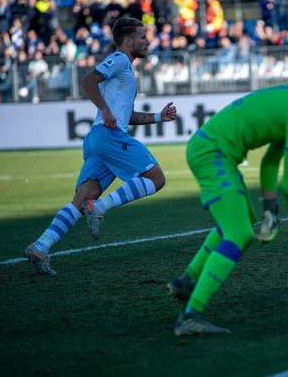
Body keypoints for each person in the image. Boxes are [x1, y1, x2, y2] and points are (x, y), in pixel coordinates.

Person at [167, 61, 288, 336]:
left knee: (242, 222)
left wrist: (269, 209)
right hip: (213, 152)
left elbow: (271, 162)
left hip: (213, 149)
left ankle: (186, 282)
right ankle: (190, 316)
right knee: (240, 234)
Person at [24, 17, 177, 276]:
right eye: (142, 37)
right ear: (128, 41)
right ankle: (102, 207)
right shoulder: (119, 59)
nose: (147, 41)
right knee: (156, 178)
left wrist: (159, 117)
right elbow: (87, 81)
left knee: (82, 199)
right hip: (109, 136)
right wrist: (105, 109)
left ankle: (41, 246)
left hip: (98, 140)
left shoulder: (125, 70)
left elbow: (127, 116)